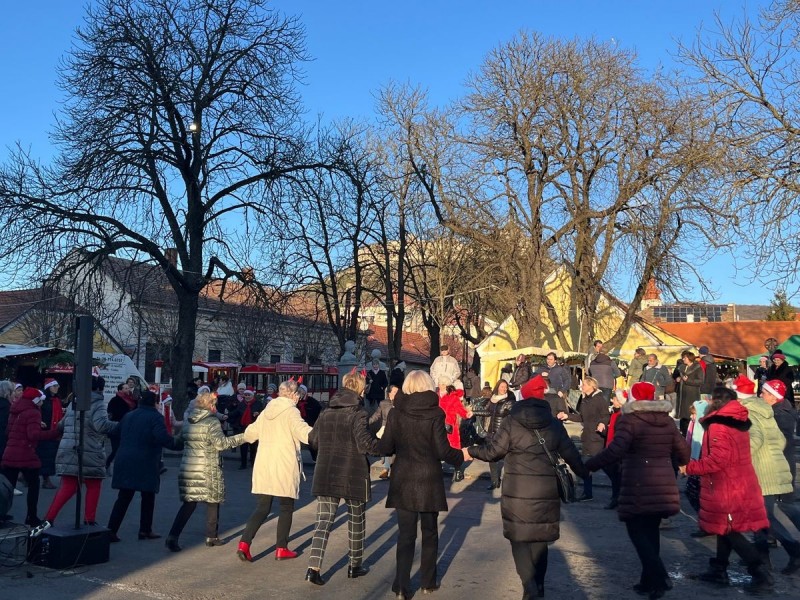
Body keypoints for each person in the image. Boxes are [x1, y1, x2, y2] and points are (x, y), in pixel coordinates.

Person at [465, 374, 588, 600]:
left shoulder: (513, 421)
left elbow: (493, 452)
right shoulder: (553, 423)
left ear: (524, 396)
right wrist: (587, 471)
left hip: (518, 492)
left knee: (519, 539)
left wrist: (471, 451)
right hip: (546, 491)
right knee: (540, 542)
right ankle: (537, 588)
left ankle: (529, 585)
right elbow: (571, 454)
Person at [586, 382, 690, 600]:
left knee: (637, 531)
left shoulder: (630, 419)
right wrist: (679, 462)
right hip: (662, 482)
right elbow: (683, 450)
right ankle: (649, 582)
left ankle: (660, 576)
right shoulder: (667, 420)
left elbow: (616, 449)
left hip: (638, 481)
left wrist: (590, 465)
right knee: (651, 532)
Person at [377, 370, 465, 599]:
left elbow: (385, 447)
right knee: (430, 533)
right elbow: (442, 450)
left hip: (404, 478)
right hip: (429, 478)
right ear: (428, 386)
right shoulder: (436, 413)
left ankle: (401, 586)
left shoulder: (396, 413)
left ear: (406, 386)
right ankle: (428, 581)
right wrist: (461, 456)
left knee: (405, 536)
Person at [684, 386, 772, 593]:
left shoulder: (718, 425)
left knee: (731, 531)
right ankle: (719, 569)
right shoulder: (737, 420)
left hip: (726, 485)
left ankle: (760, 572)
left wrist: (690, 467)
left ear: (716, 402)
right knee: (725, 527)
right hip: (739, 481)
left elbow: (718, 460)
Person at [304, 370, 379, 585]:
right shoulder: (358, 413)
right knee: (356, 520)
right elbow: (365, 444)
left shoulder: (325, 412)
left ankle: (313, 568)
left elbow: (313, 440)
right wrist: (384, 446)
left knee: (323, 522)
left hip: (326, 472)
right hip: (353, 473)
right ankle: (354, 566)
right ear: (360, 389)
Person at [236, 379, 312, 562]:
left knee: (262, 508)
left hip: (264, 464)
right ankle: (281, 548)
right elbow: (305, 434)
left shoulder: (266, 411)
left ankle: (244, 544)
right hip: (284, 465)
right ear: (293, 394)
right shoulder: (291, 411)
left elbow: (250, 434)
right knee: (286, 507)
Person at [734, 375, 800, 575]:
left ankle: (793, 551)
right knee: (762, 516)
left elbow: (756, 440)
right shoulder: (766, 412)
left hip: (762, 471)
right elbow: (779, 440)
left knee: (765, 517)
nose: (760, 394)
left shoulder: (753, 413)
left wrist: (740, 457)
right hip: (770, 468)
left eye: (764, 392)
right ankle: (761, 560)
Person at [165, 391, 244, 551]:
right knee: (212, 502)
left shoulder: (189, 421)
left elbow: (179, 443)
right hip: (208, 468)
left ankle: (173, 536)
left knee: (189, 504)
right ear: (210, 405)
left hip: (189, 468)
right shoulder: (211, 422)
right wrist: (244, 437)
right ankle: (211, 536)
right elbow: (221, 444)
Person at [39, 376, 117, 532]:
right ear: (100, 389)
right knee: (93, 484)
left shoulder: (73, 403)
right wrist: (120, 424)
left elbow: (61, 424)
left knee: (68, 486)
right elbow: (101, 425)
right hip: (88, 449)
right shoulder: (98, 403)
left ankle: (48, 519)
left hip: (68, 448)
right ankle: (89, 520)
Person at [106, 390, 179, 542]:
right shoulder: (155, 417)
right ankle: (145, 530)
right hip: (146, 460)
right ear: (154, 403)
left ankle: (111, 530)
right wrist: (178, 442)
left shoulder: (129, 415)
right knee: (148, 495)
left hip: (125, 459)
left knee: (124, 497)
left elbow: (115, 432)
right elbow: (162, 437)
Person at [1, 388, 60, 528]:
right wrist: (53, 433)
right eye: (40, 400)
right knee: (34, 485)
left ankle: (1, 514)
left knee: (7, 488)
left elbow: (9, 431)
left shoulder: (15, 409)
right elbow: (33, 435)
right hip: (26, 454)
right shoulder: (33, 412)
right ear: (35, 400)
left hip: (10, 452)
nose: (42, 402)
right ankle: (31, 516)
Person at [557, 376, 609, 501]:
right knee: (587, 466)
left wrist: (602, 423)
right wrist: (567, 416)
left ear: (592, 386)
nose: (581, 387)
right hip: (587, 437)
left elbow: (606, 415)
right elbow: (582, 417)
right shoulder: (585, 400)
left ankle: (616, 491)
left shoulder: (599, 399)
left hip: (596, 437)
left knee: (605, 466)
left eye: (584, 385)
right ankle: (588, 493)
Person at [472, 378, 516, 490]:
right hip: (491, 432)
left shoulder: (509, 401)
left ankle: (511, 484)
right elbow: (487, 411)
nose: (504, 389)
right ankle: (494, 481)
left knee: (507, 458)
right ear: (497, 387)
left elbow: (514, 415)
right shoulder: (493, 399)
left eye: (505, 387)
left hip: (503, 433)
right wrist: (473, 412)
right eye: (502, 387)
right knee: (492, 458)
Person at [761, 379, 798, 495]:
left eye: (764, 393)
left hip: (781, 466)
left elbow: (781, 443)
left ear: (773, 396)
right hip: (779, 464)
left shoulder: (781, 414)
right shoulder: (776, 410)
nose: (760, 395)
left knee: (786, 505)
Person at [438, 380, 473, 483]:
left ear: (447, 385)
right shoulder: (435, 396)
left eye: (443, 383)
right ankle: (437, 470)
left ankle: (458, 471)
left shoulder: (452, 397)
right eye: (440, 383)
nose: (441, 385)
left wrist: (466, 414)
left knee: (454, 450)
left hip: (450, 427)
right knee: (436, 448)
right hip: (438, 426)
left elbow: (459, 409)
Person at [37, 378, 63, 489]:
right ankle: (45, 479)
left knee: (48, 455)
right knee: (45, 455)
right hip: (44, 431)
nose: (57, 387)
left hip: (53, 432)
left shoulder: (56, 400)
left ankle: (28, 475)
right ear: (49, 388)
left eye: (57, 385)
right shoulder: (43, 400)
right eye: (54, 386)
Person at [228, 387, 262, 469]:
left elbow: (263, 413)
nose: (247, 396)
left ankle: (253, 462)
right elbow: (235, 413)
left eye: (249, 395)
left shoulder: (258, 403)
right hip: (243, 428)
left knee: (253, 447)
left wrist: (258, 413)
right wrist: (226, 416)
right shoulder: (242, 404)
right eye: (246, 395)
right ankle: (243, 464)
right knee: (243, 447)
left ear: (252, 395)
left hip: (254, 428)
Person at [369, 384, 397, 479]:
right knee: (387, 448)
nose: (396, 394)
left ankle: (388, 468)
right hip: (385, 429)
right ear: (389, 393)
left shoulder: (400, 404)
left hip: (396, 429)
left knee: (393, 450)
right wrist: (367, 422)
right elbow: (377, 415)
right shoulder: (383, 403)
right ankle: (386, 469)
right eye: (394, 392)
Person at [106, 382, 137, 468]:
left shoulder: (132, 400)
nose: (128, 390)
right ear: (120, 390)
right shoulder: (115, 401)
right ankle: (107, 464)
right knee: (116, 449)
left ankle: (123, 466)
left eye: (128, 388)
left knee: (126, 449)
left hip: (128, 428)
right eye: (125, 388)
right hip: (116, 428)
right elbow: (111, 414)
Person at [675, 351, 703, 436]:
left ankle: (690, 432)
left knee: (689, 414)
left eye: (685, 358)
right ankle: (683, 432)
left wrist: (688, 380)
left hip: (691, 394)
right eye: (683, 357)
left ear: (690, 358)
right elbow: (676, 376)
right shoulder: (682, 367)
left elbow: (700, 381)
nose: (683, 359)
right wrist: (678, 378)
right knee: (682, 414)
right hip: (682, 394)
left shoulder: (697, 368)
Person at [535, 352, 571, 416]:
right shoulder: (542, 368)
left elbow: (568, 380)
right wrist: (540, 374)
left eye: (551, 359)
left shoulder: (560, 369)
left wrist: (562, 391)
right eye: (548, 359)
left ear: (555, 360)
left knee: (555, 415)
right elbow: (532, 377)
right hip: (544, 394)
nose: (549, 361)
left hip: (556, 394)